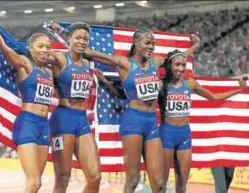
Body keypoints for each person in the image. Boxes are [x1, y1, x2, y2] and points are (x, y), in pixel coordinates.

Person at [80, 28, 200, 193]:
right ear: (136, 43)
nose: (151, 47)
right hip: (133, 122)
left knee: (158, 184)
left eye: (153, 44)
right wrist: (70, 37)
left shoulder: (156, 62)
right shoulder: (125, 63)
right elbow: (91, 53)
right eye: (147, 43)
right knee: (133, 180)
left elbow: (176, 60)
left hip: (152, 124)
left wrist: (194, 47)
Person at [0, 8, 54, 193]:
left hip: (45, 126)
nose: (44, 50)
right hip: (28, 123)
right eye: (40, 46)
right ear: (30, 47)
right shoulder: (25, 64)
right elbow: (4, 49)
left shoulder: (51, 71)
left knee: (37, 184)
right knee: (33, 182)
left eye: (47, 47)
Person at [157, 49, 247, 193]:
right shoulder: (161, 85)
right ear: (169, 65)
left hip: (184, 136)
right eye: (177, 65)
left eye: (183, 65)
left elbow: (215, 97)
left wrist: (238, 90)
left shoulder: (190, 84)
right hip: (167, 134)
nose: (181, 68)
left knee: (182, 186)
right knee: (161, 185)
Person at [47, 22, 101, 193]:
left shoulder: (87, 62)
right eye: (78, 37)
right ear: (68, 39)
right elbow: (36, 52)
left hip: (82, 120)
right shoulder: (59, 58)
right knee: (63, 178)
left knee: (95, 177)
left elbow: (78, 47)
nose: (82, 41)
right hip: (63, 120)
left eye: (86, 39)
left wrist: (63, 31)